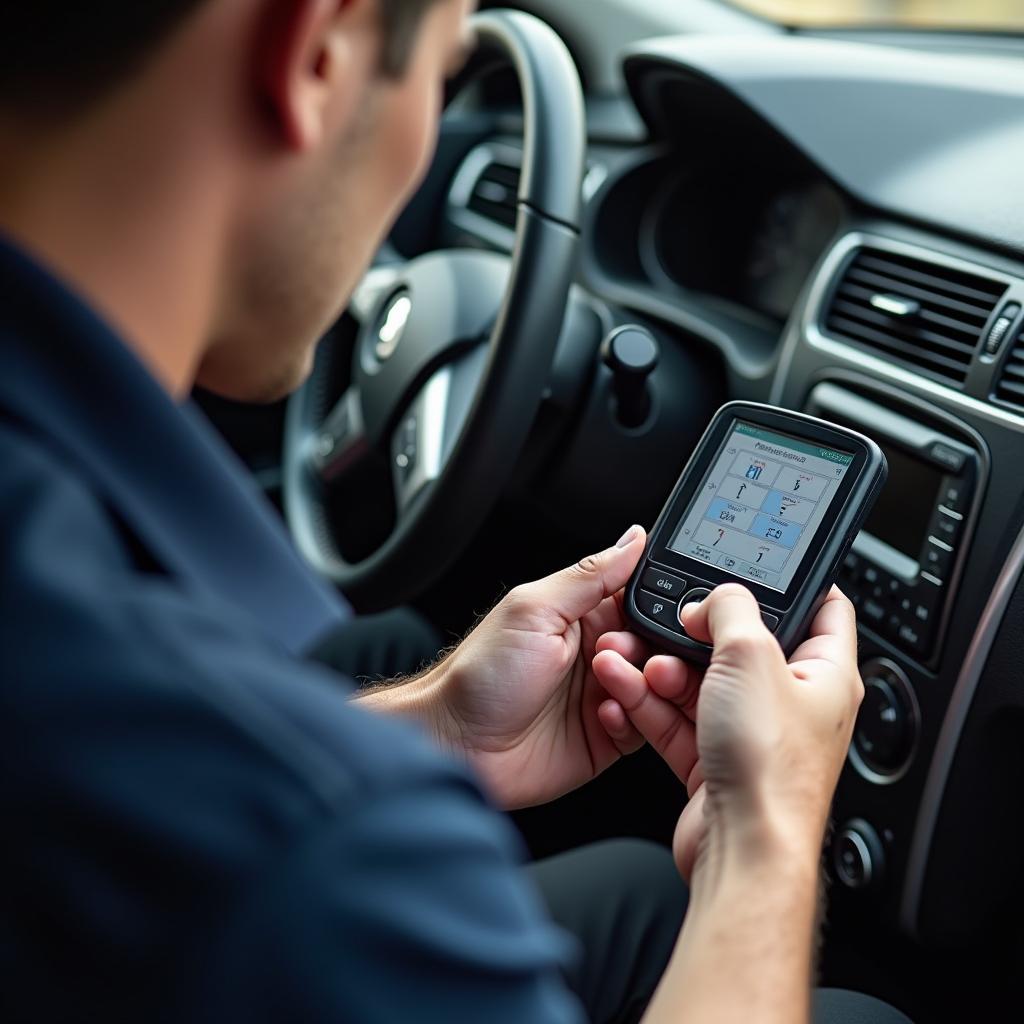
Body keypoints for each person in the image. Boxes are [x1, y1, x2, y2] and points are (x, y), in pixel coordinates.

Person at [0, 1, 911, 1021]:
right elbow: (265, 816)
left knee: (646, 894)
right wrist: (765, 839)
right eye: (440, 77)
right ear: (317, 49)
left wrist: (434, 730)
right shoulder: (323, 848)